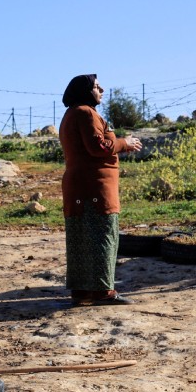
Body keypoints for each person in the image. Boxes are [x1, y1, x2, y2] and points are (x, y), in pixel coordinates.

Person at [59, 74, 142, 307]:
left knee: (82, 238)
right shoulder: (85, 113)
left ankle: (82, 290)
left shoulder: (72, 114)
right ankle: (103, 292)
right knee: (102, 236)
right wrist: (124, 143)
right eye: (96, 87)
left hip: (81, 186)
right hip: (94, 186)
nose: (101, 89)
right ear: (85, 91)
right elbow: (98, 147)